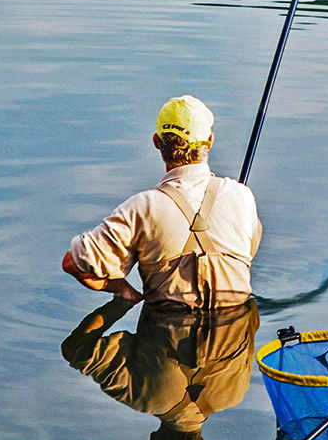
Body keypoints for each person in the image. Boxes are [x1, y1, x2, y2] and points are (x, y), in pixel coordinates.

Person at [62, 95, 262, 309]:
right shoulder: (242, 195)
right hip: (235, 334)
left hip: (164, 333)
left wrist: (123, 289)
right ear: (210, 142)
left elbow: (72, 263)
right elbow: (247, 254)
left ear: (156, 141)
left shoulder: (141, 207)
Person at [61, 296, 259, 440]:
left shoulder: (236, 393)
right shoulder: (137, 396)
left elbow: (251, 314)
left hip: (229, 286)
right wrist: (123, 302)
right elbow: (74, 350)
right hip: (168, 287)